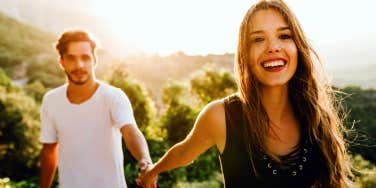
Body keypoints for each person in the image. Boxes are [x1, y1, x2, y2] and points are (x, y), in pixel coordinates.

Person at [138, 0, 352, 187]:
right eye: (258, 39)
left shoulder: (315, 117)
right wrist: (152, 172)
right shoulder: (221, 116)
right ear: (245, 54)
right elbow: (183, 152)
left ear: (298, 47)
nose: (273, 47)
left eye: (284, 35)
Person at [39, 29, 153, 188]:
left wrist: (145, 161)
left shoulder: (113, 96)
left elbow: (130, 130)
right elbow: (49, 150)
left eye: (85, 57)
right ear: (61, 62)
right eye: (71, 58)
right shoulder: (51, 100)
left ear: (94, 59)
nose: (79, 65)